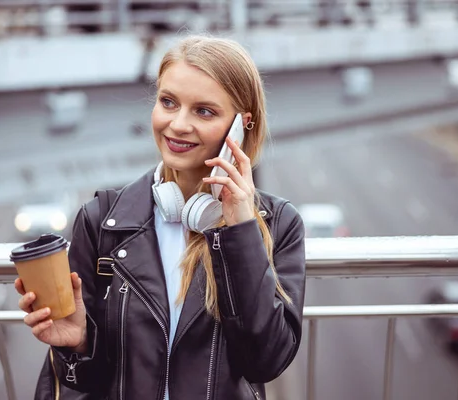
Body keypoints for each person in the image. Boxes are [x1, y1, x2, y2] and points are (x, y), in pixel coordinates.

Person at [16, 35, 307, 400]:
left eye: (204, 111)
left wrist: (241, 230)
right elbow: (84, 381)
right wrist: (77, 344)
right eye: (168, 102)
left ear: (240, 124)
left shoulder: (277, 224)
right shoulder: (103, 220)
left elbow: (267, 361)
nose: (178, 124)